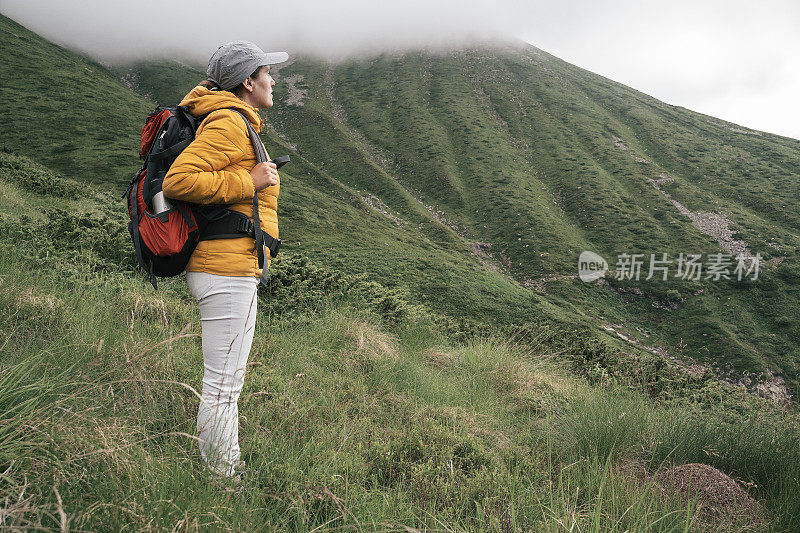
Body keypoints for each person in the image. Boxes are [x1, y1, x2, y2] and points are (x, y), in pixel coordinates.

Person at [162, 40, 288, 479]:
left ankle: (223, 467)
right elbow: (179, 181)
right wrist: (247, 179)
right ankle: (223, 478)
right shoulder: (229, 124)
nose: (275, 80)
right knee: (223, 386)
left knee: (223, 382)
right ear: (248, 81)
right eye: (268, 72)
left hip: (226, 266)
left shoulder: (236, 122)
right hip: (224, 269)